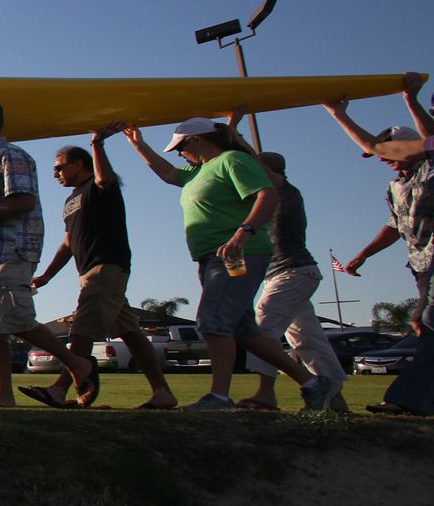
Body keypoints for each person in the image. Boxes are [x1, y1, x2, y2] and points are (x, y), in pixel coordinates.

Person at [121, 118, 331, 411]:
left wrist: (243, 233)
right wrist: (138, 145)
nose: (179, 154)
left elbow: (267, 194)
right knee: (243, 331)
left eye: (180, 147)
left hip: (237, 253)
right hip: (212, 257)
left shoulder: (232, 160)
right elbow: (168, 173)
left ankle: (219, 397)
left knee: (213, 322)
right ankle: (313, 383)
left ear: (196, 140)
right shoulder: (199, 170)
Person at [0, 98, 94, 407]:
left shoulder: (12, 156)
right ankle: (4, 395)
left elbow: (24, 201)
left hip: (11, 249)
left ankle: (77, 364)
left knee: (16, 317)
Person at [27, 133, 178, 410]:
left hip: (106, 266)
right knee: (131, 332)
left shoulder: (100, 187)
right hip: (88, 271)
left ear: (80, 164)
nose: (55, 173)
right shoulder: (70, 201)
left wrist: (98, 145)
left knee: (82, 327)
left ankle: (60, 389)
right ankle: (163, 393)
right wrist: (47, 275)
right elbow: (68, 243)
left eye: (60, 166)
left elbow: (104, 177)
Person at [324, 76, 434, 415]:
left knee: (430, 327)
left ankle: (406, 399)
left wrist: (410, 99)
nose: (382, 159)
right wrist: (338, 114)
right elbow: (394, 228)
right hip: (422, 267)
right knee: (425, 327)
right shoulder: (396, 186)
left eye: (389, 152)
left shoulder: (430, 168)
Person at [236, 152, 345, 412]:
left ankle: (266, 394)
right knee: (306, 337)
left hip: (292, 273)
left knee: (262, 330)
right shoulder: (266, 199)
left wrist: (236, 136)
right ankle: (336, 400)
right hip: (291, 274)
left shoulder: (285, 192)